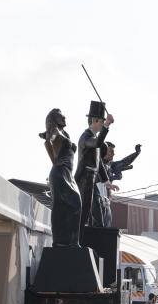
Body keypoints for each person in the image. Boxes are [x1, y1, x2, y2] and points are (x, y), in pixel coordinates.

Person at [39, 108, 81, 246]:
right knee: (72, 204)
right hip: (60, 173)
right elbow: (47, 141)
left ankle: (67, 241)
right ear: (55, 119)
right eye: (62, 117)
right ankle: (65, 241)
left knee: (65, 207)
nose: (65, 119)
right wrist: (55, 161)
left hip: (67, 173)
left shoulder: (63, 133)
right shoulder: (55, 131)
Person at [74, 100, 113, 243]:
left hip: (91, 179)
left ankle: (81, 240)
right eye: (102, 122)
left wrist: (106, 181)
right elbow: (97, 144)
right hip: (84, 179)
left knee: (90, 211)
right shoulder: (86, 137)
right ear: (95, 121)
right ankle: (77, 240)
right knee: (83, 212)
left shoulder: (94, 138)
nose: (102, 125)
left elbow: (99, 162)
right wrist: (107, 126)